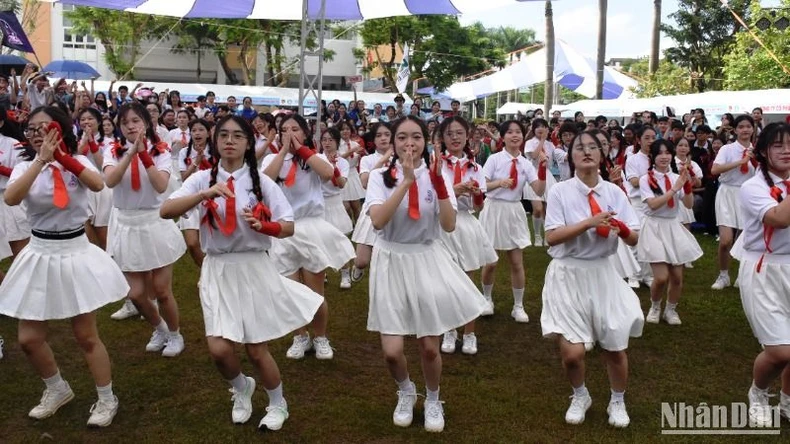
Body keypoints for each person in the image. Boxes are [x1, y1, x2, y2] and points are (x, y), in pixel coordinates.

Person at [161, 115, 324, 431]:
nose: (230, 141)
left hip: (253, 267)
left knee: (255, 348)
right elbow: (166, 210)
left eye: (237, 135)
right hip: (217, 268)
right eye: (223, 135)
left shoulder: (261, 181)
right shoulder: (202, 179)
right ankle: (241, 387)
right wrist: (203, 196)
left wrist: (266, 226)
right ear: (215, 140)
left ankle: (277, 403)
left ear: (249, 143)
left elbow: (288, 225)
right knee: (220, 350)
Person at [0, 106, 129, 426]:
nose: (37, 134)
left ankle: (106, 398)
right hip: (39, 251)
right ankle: (57, 388)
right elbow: (12, 198)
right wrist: (42, 159)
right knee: (29, 338)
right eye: (31, 129)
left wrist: (62, 157)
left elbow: (98, 186)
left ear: (61, 130)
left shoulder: (79, 163)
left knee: (85, 336)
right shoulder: (24, 167)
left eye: (45, 127)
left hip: (74, 251)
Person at [365, 115, 487, 433]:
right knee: (392, 352)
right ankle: (406, 391)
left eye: (416, 137)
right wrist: (405, 181)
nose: (409, 144)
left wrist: (439, 186)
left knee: (429, 346)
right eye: (402, 137)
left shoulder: (438, 175)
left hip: (426, 258)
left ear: (426, 141)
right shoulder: (380, 177)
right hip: (391, 259)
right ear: (392, 143)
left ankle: (433, 398)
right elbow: (377, 221)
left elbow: (448, 225)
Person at [541, 130, 643, 428]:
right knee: (572, 353)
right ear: (571, 157)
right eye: (579, 148)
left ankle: (617, 399)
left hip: (602, 273)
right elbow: (551, 237)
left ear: (602, 154)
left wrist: (621, 229)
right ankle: (580, 394)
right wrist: (589, 222)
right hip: (567, 274)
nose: (586, 151)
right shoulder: (560, 191)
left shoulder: (614, 193)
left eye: (593, 147)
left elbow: (634, 237)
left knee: (615, 345)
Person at [261, 114, 355, 360]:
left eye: (295, 129)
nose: (289, 133)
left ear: (304, 133)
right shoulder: (273, 158)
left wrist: (301, 150)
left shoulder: (314, 158)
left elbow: (327, 173)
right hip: (283, 229)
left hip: (311, 228)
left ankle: (320, 337)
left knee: (315, 292)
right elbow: (265, 182)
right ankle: (299, 336)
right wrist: (283, 151)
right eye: (284, 130)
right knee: (290, 290)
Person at [103, 102, 187, 356]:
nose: (131, 126)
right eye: (125, 122)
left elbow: (161, 186)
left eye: (136, 121)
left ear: (146, 123)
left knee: (161, 290)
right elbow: (109, 180)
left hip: (154, 222)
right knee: (136, 293)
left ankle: (175, 334)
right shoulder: (113, 149)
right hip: (127, 224)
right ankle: (159, 328)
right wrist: (130, 153)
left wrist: (143, 153)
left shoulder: (159, 150)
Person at [734, 122, 790, 426]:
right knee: (780, 351)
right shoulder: (752, 187)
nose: (786, 151)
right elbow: (778, 219)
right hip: (765, 269)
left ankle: (787, 400)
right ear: (765, 151)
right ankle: (758, 392)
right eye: (778, 145)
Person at [436, 116, 497, 356]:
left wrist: (474, 194)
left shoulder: (476, 168)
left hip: (466, 223)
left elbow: (479, 204)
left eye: (459, 133)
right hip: (442, 224)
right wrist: (455, 190)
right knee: (445, 281)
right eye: (449, 133)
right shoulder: (436, 164)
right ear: (442, 137)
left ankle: (469, 332)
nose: (455, 138)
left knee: (467, 281)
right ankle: (449, 329)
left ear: (467, 136)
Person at [479, 120, 547, 322]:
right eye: (509, 132)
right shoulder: (494, 159)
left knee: (516, 262)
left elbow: (539, 190)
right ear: (503, 136)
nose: (514, 135)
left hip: (514, 211)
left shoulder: (526, 163)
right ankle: (486, 299)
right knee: (490, 262)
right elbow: (482, 185)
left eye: (518, 132)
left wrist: (542, 169)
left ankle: (518, 306)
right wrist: (499, 183)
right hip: (494, 209)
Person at [638, 139, 703, 325]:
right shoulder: (646, 179)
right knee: (660, 277)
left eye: (668, 153)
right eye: (660, 153)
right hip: (654, 227)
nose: (664, 157)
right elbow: (653, 204)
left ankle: (671, 310)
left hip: (673, 227)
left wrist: (687, 186)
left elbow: (689, 204)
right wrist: (675, 188)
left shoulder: (677, 177)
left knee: (676, 277)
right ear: (653, 156)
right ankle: (655, 306)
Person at [710, 115, 756, 290]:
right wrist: (741, 161)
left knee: (745, 240)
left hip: (748, 195)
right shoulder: (727, 150)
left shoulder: (758, 150)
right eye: (741, 127)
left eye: (748, 127)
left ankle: (742, 275)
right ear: (735, 130)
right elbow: (715, 169)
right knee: (725, 241)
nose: (745, 130)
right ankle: (723, 275)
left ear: (752, 129)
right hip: (728, 193)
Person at [318, 127, 353, 288]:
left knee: (339, 241)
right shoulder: (316, 158)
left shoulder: (343, 162)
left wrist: (334, 168)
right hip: (318, 204)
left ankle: (345, 274)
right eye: (324, 139)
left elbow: (341, 184)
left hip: (334, 202)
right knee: (318, 240)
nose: (327, 143)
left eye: (331, 140)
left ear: (337, 142)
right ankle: (321, 272)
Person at [177, 119, 214, 268]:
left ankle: (211, 274)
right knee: (192, 243)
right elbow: (184, 177)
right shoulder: (184, 152)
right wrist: (196, 161)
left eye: (201, 130)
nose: (197, 133)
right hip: (190, 199)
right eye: (194, 130)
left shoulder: (215, 151)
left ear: (208, 133)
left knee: (211, 242)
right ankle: (205, 271)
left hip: (212, 199)